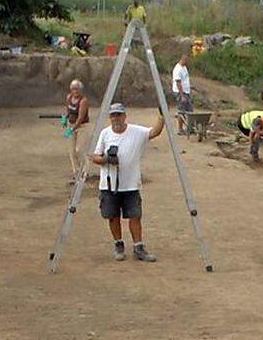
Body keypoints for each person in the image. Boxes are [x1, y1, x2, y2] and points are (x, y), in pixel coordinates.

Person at [90, 103, 165, 263]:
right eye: (113, 115)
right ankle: (118, 244)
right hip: (109, 186)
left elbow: (155, 131)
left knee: (135, 216)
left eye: (118, 115)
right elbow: (94, 157)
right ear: (110, 118)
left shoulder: (136, 131)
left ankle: (139, 247)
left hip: (130, 184)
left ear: (124, 116)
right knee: (112, 216)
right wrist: (106, 159)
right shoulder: (105, 134)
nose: (116, 118)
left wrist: (162, 115)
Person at [64, 79, 90, 179]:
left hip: (81, 126)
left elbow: (80, 117)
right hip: (71, 125)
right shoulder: (69, 97)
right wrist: (64, 119)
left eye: (77, 89)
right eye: (73, 89)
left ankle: (85, 171)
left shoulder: (83, 101)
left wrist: (72, 129)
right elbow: (68, 111)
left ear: (80, 90)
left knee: (79, 149)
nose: (75, 91)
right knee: (71, 150)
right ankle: (76, 172)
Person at [172, 52, 193, 136]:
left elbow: (185, 80)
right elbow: (178, 83)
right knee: (181, 111)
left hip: (186, 92)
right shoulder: (177, 69)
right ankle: (180, 129)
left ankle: (189, 128)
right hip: (180, 92)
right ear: (183, 59)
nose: (188, 62)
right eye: (187, 60)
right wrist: (182, 96)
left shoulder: (184, 67)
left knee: (190, 111)